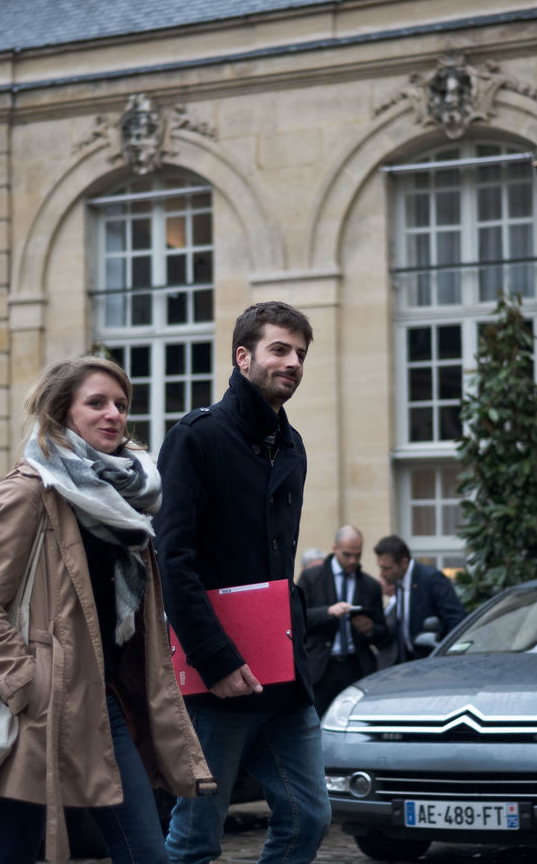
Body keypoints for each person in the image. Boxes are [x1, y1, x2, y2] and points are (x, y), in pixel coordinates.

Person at [0, 356, 214, 864]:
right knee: (9, 854)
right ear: (62, 412)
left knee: (146, 854)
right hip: (38, 711)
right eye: (96, 403)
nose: (113, 414)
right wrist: (28, 684)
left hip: (106, 705)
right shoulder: (27, 493)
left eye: (120, 404)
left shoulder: (131, 500)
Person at [156, 301, 331, 864]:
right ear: (243, 357)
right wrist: (215, 659)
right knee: (195, 838)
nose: (293, 362)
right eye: (279, 349)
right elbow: (172, 560)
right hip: (216, 674)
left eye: (300, 353)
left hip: (284, 672)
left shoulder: (293, 445)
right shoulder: (196, 437)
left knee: (309, 819)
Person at [297, 525, 390, 714]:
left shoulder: (370, 585)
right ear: (335, 549)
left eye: (358, 555)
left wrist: (369, 629)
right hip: (320, 668)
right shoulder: (311, 577)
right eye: (347, 555)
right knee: (317, 722)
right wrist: (327, 612)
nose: (353, 560)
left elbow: (383, 633)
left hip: (356, 667)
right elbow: (296, 618)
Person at [373, 534, 466, 663]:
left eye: (387, 568)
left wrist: (449, 656)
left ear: (404, 563)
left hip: (433, 661)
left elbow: (456, 619)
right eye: (380, 567)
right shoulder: (399, 581)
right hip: (409, 661)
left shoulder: (431, 579)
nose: (382, 574)